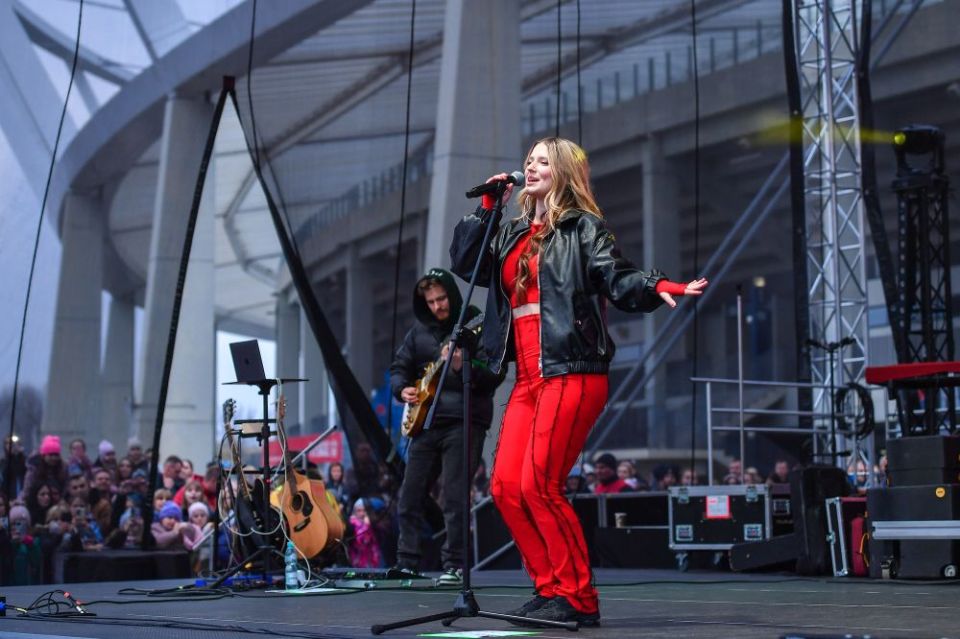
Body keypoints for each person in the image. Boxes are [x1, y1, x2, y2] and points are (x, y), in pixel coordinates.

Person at [450, 136, 706, 626]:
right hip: (527, 377)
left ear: (563, 171)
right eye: (528, 160)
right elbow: (466, 264)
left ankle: (579, 597)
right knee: (505, 487)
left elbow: (616, 275)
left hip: (571, 370)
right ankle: (549, 588)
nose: (531, 167)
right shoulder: (510, 233)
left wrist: (657, 285)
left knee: (540, 485)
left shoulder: (583, 228)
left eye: (542, 161)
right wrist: (488, 206)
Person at [389, 267, 502, 584]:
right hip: (426, 422)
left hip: (464, 420)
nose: (438, 306)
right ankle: (407, 560)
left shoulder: (475, 321)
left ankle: (455, 564)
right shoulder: (419, 331)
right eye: (431, 301)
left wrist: (462, 363)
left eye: (441, 299)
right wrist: (402, 389)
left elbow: (494, 373)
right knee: (409, 496)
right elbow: (399, 367)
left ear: (451, 295)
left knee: (454, 498)